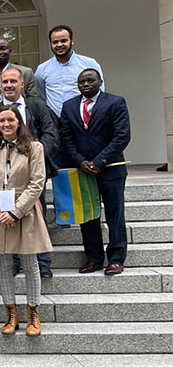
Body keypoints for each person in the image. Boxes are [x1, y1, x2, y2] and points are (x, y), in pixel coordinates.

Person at [0, 106, 51, 337]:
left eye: (10, 120)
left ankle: (33, 313)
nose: (6, 124)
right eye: (2, 121)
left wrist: (16, 211)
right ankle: (11, 313)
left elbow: (37, 182)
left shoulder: (34, 147)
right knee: (4, 265)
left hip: (25, 212)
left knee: (30, 265)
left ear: (19, 122)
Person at [0, 68, 59, 278]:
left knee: (37, 214)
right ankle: (16, 260)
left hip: (35, 171)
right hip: (7, 176)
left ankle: (42, 261)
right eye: (5, 81)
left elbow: (50, 133)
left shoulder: (37, 106)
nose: (8, 85)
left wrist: (33, 158)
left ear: (22, 84)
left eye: (13, 81)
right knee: (10, 214)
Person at [60, 68, 130, 276]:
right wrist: (80, 161)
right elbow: (66, 138)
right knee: (88, 216)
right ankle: (94, 258)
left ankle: (116, 259)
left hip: (111, 168)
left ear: (100, 81)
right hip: (83, 170)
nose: (86, 85)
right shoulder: (69, 106)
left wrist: (99, 161)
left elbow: (122, 136)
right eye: (82, 82)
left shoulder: (116, 102)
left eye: (91, 80)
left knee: (114, 213)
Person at [35, 25, 104, 118]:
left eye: (63, 40)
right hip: (56, 122)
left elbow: (100, 92)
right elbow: (42, 95)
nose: (59, 45)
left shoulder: (89, 64)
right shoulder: (42, 69)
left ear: (71, 41)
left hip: (84, 120)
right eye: (55, 42)